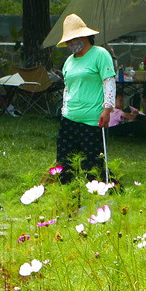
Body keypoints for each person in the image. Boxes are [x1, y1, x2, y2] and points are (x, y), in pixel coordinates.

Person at [55, 14, 116, 183]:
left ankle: (107, 194)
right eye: (68, 41)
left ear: (85, 36)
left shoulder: (100, 54)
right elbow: (68, 88)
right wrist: (63, 109)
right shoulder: (69, 61)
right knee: (65, 164)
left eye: (74, 39)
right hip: (69, 118)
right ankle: (71, 200)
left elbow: (108, 81)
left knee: (94, 165)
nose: (71, 44)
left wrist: (107, 108)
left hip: (92, 120)